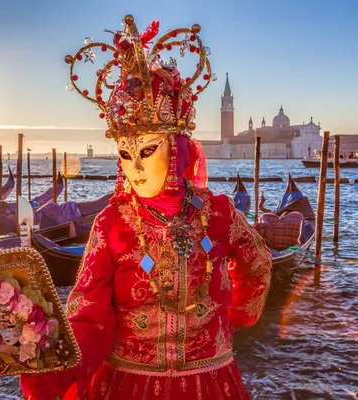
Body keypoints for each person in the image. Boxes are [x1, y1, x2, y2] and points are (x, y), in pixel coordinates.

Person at [20, 15, 272, 400]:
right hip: (128, 385)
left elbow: (257, 264)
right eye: (124, 154)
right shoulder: (112, 224)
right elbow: (88, 316)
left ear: (175, 150)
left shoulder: (219, 213)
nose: (134, 167)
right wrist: (44, 363)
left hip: (210, 382)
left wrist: (235, 314)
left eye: (147, 151)